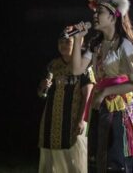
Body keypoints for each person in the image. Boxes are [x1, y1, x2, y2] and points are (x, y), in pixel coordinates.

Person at [70, 0, 133, 173]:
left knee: (117, 160)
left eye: (99, 12)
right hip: (102, 108)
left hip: (122, 109)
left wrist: (106, 91)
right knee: (100, 159)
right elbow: (77, 70)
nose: (94, 16)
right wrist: (78, 40)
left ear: (113, 16)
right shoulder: (95, 45)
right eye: (94, 12)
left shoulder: (125, 46)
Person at [37, 35, 94, 173]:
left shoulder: (83, 65)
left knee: (74, 157)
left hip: (74, 118)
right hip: (52, 119)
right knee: (49, 156)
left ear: (76, 44)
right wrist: (42, 87)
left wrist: (81, 120)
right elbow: (42, 94)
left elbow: (88, 95)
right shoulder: (52, 65)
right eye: (60, 41)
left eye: (67, 42)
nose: (63, 45)